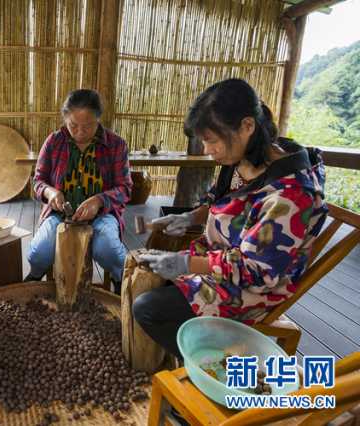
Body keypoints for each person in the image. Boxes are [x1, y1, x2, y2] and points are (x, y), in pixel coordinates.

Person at [132, 78, 328, 358]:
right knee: (148, 280)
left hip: (252, 287)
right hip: (218, 260)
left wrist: (184, 263)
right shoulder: (242, 155)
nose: (207, 148)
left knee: (148, 309)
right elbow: (218, 199)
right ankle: (191, 347)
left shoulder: (291, 194)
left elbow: (255, 272)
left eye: (211, 140)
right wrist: (191, 217)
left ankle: (214, 365)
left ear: (247, 126)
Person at [25, 89, 132, 292]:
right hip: (59, 214)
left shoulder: (116, 145)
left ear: (99, 120)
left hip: (103, 215)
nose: (80, 132)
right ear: (65, 118)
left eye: (88, 126)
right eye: (73, 125)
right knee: (39, 253)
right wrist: (51, 193)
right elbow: (38, 181)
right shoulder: (54, 141)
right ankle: (35, 278)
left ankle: (122, 284)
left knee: (107, 249)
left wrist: (99, 200)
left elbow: (125, 189)